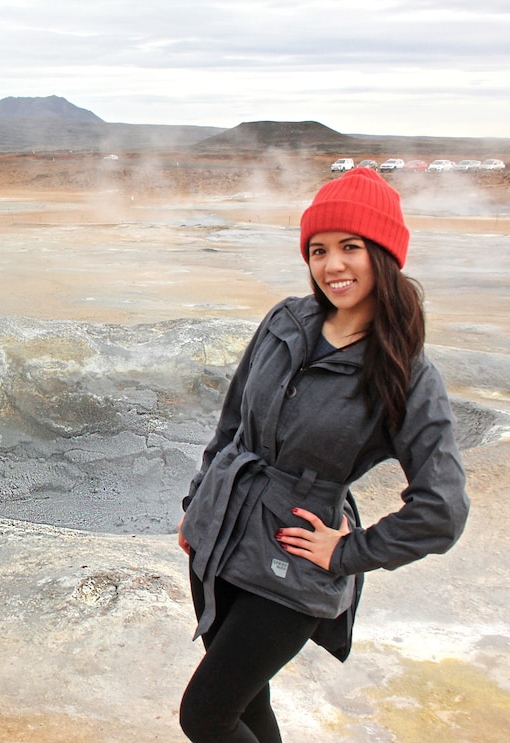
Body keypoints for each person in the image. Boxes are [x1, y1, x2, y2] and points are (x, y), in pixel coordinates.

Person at [176, 167, 470, 743]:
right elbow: (233, 423)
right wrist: (198, 504)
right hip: (219, 538)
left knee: (205, 715)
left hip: (294, 559)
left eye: (350, 247)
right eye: (318, 250)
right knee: (245, 709)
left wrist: (350, 552)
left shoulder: (406, 373)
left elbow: (443, 509)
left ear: (383, 254)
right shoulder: (286, 321)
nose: (332, 265)